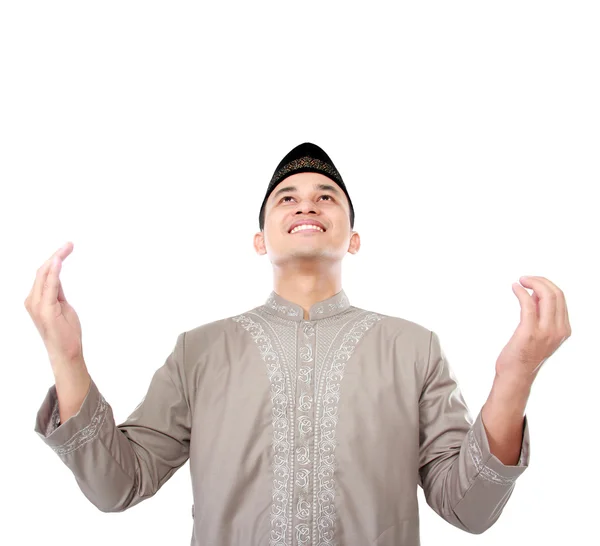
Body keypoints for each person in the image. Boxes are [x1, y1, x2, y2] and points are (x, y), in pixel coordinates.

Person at [26, 142, 571, 546]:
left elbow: (469, 507)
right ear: (260, 239)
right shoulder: (200, 352)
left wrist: (516, 374)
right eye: (286, 197)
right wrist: (67, 358)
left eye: (325, 196)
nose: (306, 205)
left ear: (353, 238)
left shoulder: (413, 349)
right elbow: (117, 485)